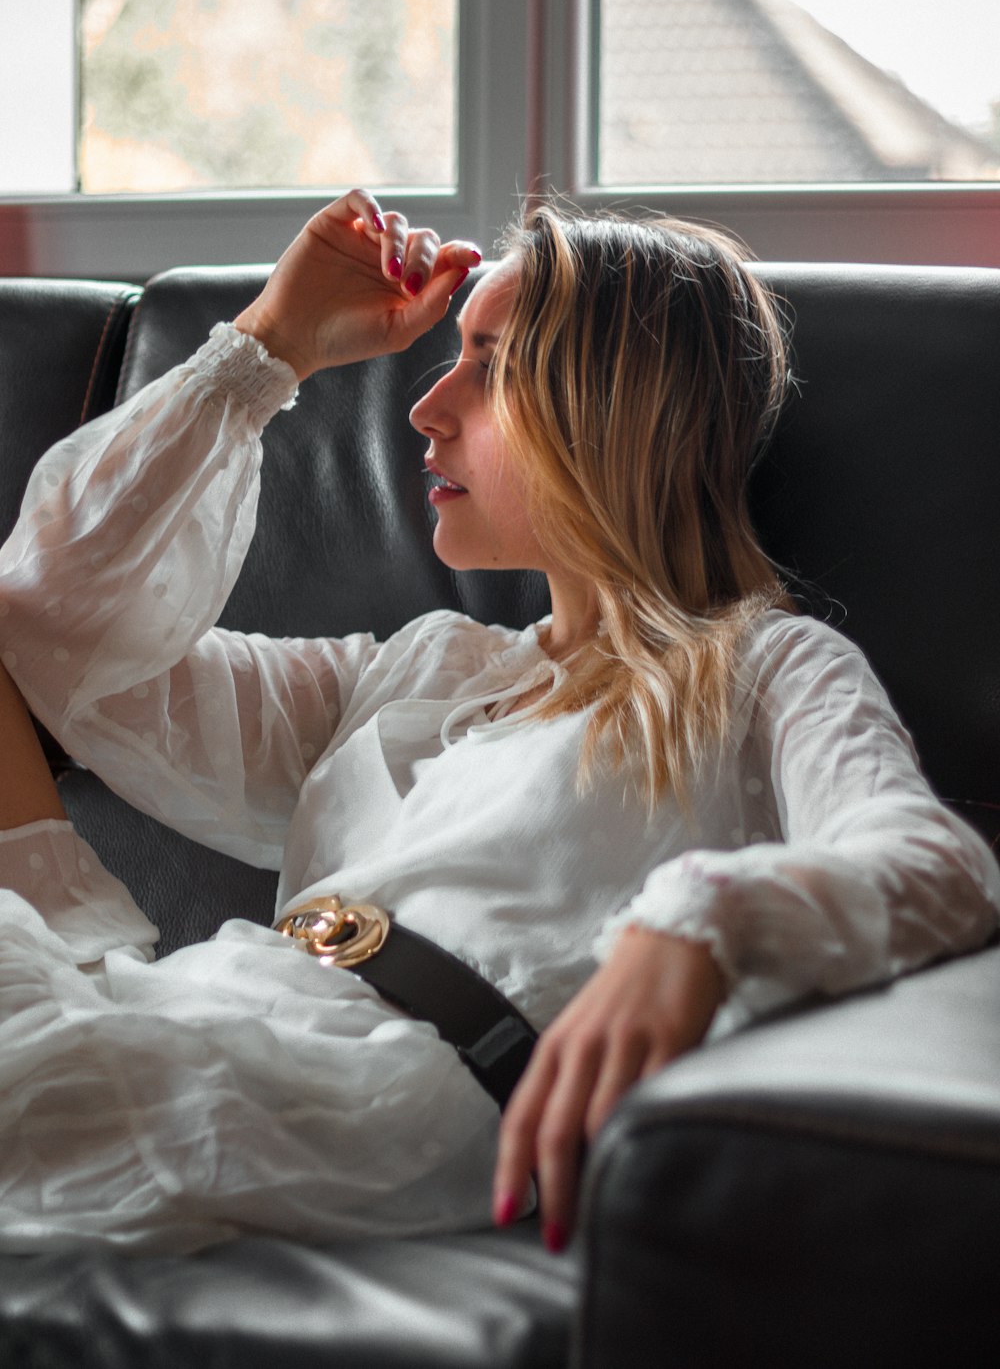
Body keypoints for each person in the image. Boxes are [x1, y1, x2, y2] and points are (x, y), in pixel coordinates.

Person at [0, 190, 997, 1257]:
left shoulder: (758, 666)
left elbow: (937, 865)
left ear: (622, 406)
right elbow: (50, 626)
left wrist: (705, 917)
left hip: (350, 1096)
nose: (425, 409)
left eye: (494, 364)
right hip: (193, 1017)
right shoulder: (423, 666)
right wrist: (269, 345)